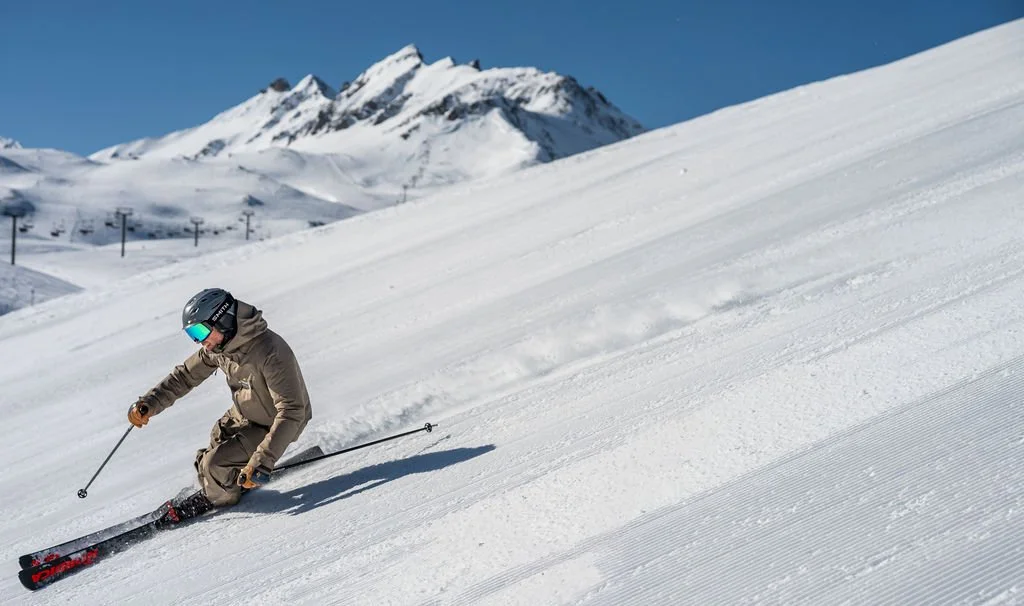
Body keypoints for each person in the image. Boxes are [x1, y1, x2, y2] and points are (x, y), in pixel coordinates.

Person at [127, 288, 312, 513]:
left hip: (278, 423)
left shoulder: (270, 352)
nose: (199, 341)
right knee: (216, 438)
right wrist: (151, 402)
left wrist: (262, 461)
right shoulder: (221, 347)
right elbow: (185, 376)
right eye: (192, 334)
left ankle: (218, 498)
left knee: (215, 464)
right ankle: (221, 484)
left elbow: (292, 411)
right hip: (248, 413)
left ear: (222, 319)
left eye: (200, 331)